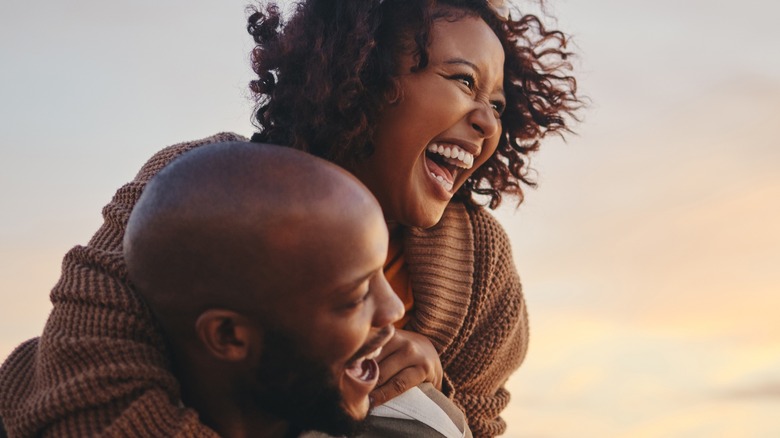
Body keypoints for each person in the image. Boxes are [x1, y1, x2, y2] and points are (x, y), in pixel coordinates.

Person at [0, 0, 579, 436]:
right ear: (368, 76)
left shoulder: (480, 263)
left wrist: (436, 383)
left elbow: (473, 425)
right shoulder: (202, 183)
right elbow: (86, 383)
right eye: (463, 81)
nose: (487, 122)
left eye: (498, 105)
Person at [122, 141, 404, 437]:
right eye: (357, 297)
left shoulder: (418, 423)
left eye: (381, 273)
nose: (394, 309)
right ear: (228, 335)